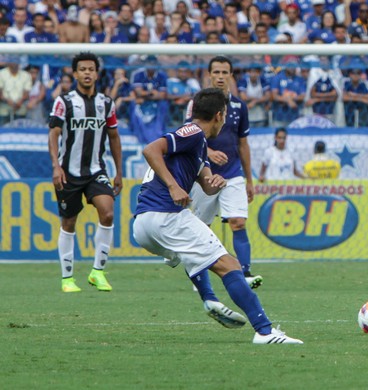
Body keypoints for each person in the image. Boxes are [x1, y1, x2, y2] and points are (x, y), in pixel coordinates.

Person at [132, 88, 303, 344]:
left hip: (144, 226)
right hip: (165, 215)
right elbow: (150, 150)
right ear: (220, 115)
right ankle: (265, 332)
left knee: (196, 254)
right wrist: (172, 186)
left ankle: (209, 298)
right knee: (230, 265)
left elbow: (206, 184)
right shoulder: (192, 132)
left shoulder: (200, 145)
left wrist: (215, 182)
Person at [48, 52, 122, 293]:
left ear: (97, 74)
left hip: (95, 170)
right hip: (68, 172)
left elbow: (113, 137)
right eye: (83, 69)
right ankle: (67, 278)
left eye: (91, 69)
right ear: (75, 73)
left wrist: (118, 172)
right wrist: (56, 166)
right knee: (69, 222)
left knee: (108, 213)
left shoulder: (106, 103)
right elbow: (54, 134)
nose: (87, 73)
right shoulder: (64, 101)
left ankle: (97, 272)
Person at [187, 56, 262, 290]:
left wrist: (249, 180)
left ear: (231, 76)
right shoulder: (196, 105)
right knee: (202, 227)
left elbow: (243, 144)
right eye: (216, 72)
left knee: (238, 222)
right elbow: (187, 135)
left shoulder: (239, 106)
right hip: (204, 173)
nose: (220, 76)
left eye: (224, 72)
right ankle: (200, 276)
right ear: (209, 75)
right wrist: (208, 151)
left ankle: (245, 273)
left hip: (233, 173)